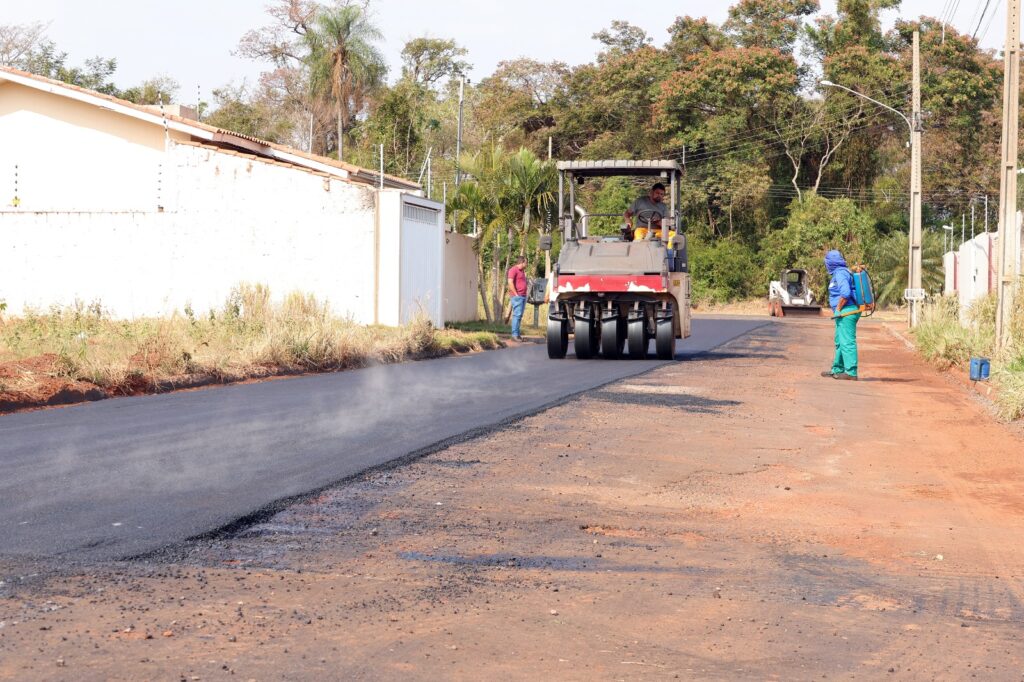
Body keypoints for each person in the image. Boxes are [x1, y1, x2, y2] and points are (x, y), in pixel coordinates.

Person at [822, 249, 860, 381]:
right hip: (844, 312)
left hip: (847, 311)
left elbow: (845, 293)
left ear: (831, 263)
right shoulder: (840, 273)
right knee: (840, 341)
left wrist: (838, 308)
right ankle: (837, 369)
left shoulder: (841, 273)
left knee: (847, 341)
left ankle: (851, 372)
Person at [507, 256, 528, 342]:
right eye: (526, 262)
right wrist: (516, 294)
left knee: (519, 316)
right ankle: (514, 335)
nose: (526, 264)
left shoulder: (522, 271)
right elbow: (510, 282)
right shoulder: (513, 270)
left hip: (522, 296)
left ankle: (518, 335)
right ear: (522, 262)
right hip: (517, 296)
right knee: (517, 315)